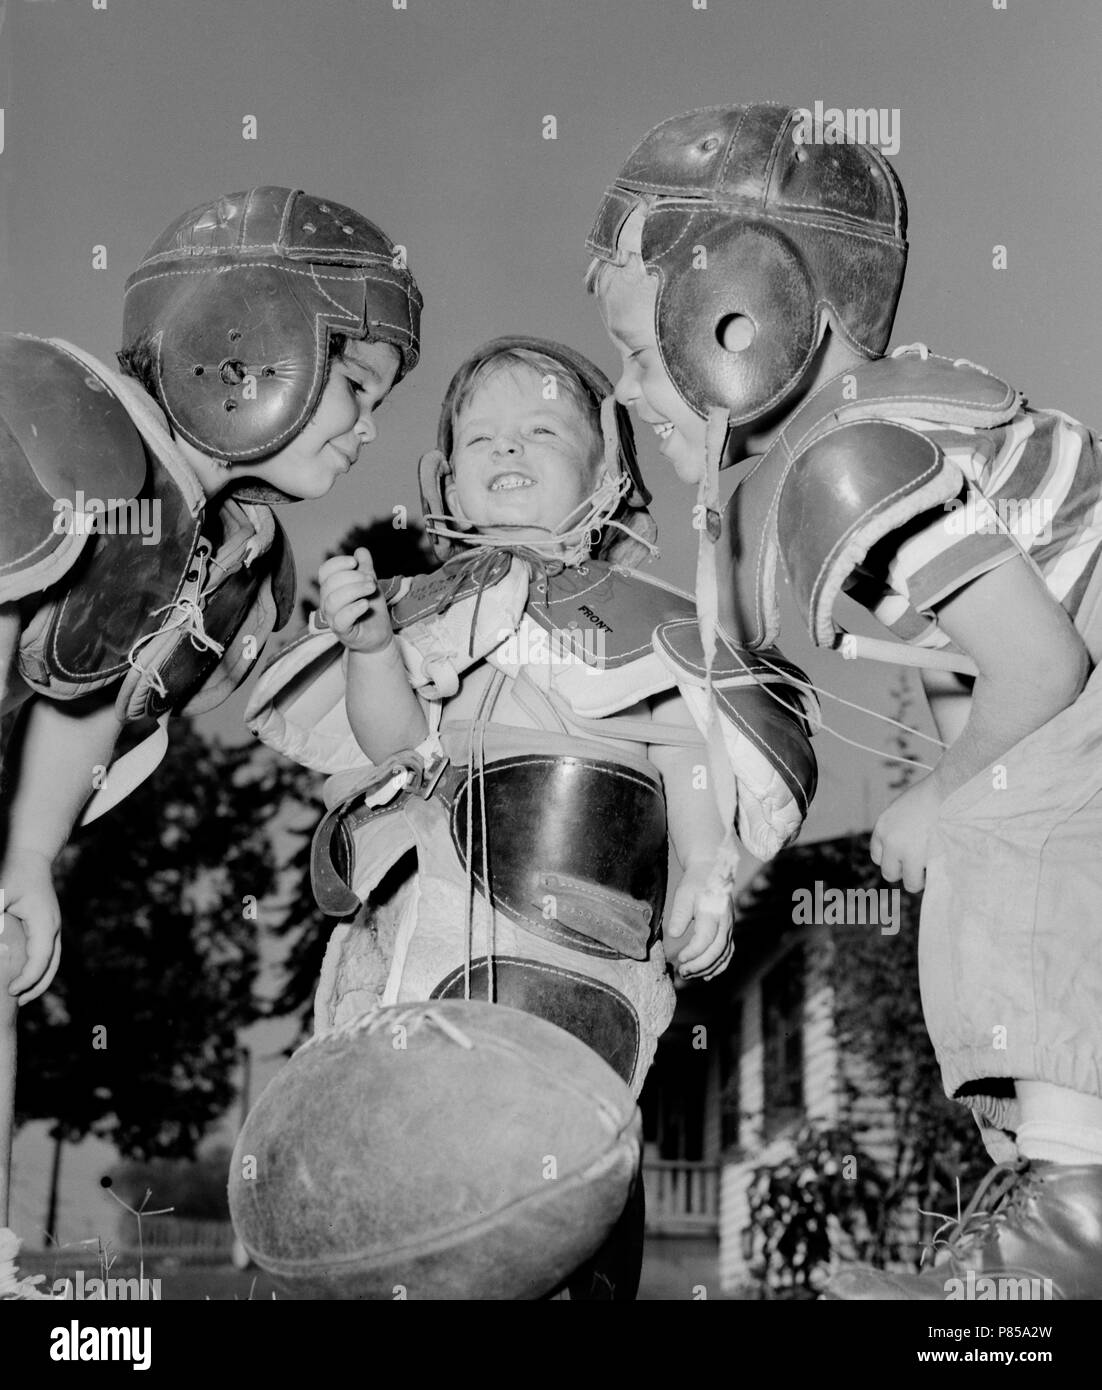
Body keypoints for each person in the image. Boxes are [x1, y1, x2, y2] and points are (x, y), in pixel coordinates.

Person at [585, 102, 1102, 1298]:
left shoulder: (850, 454)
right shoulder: (842, 450)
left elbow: (1041, 668)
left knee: (997, 829)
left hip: (1080, 704)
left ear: (745, 318)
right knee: (977, 865)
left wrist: (947, 793)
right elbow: (953, 665)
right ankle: (1041, 1176)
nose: (625, 387)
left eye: (644, 352)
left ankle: (1074, 1204)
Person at [246, 335, 817, 1298]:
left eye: (543, 431)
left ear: (608, 475)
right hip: (422, 953)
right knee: (402, 1165)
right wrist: (373, 647)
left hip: (574, 958)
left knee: (562, 1177)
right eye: (481, 439)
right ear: (447, 484)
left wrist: (707, 873)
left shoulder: (656, 628)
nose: (507, 451)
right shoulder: (424, 615)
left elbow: (686, 752)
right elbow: (392, 746)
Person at [0, 186, 421, 1228]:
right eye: (357, 385)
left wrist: (24, 860)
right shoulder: (54, 417)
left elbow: (85, 684)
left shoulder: (224, 549)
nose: (370, 427)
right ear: (249, 344)